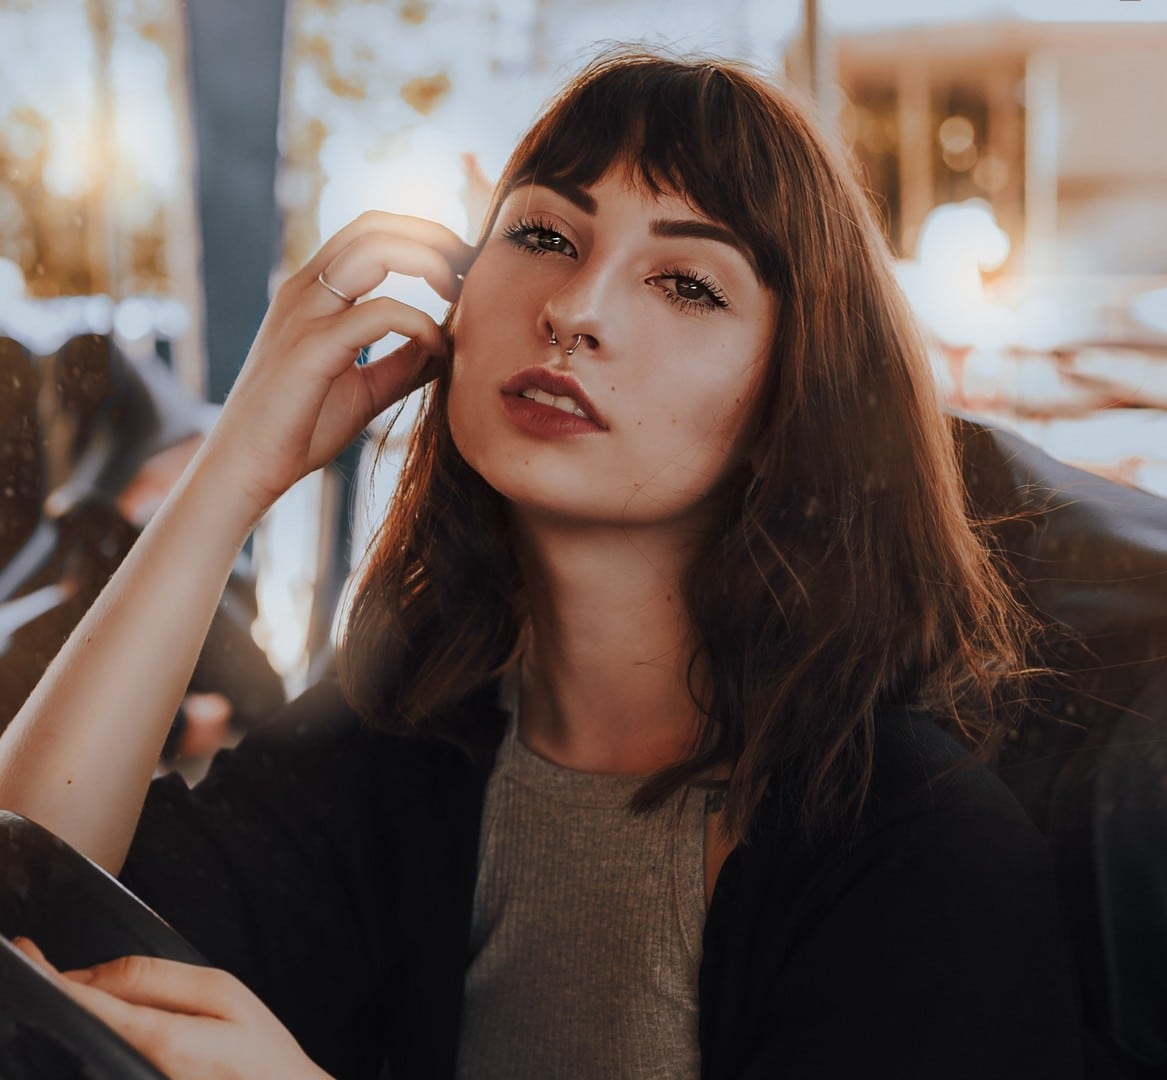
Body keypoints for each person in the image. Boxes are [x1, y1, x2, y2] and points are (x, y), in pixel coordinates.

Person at [0, 50, 1083, 1078]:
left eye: (688, 284)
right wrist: (231, 475)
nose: (575, 309)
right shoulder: (391, 753)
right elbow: (25, 924)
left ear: (790, 396)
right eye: (547, 237)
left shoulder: (928, 858)